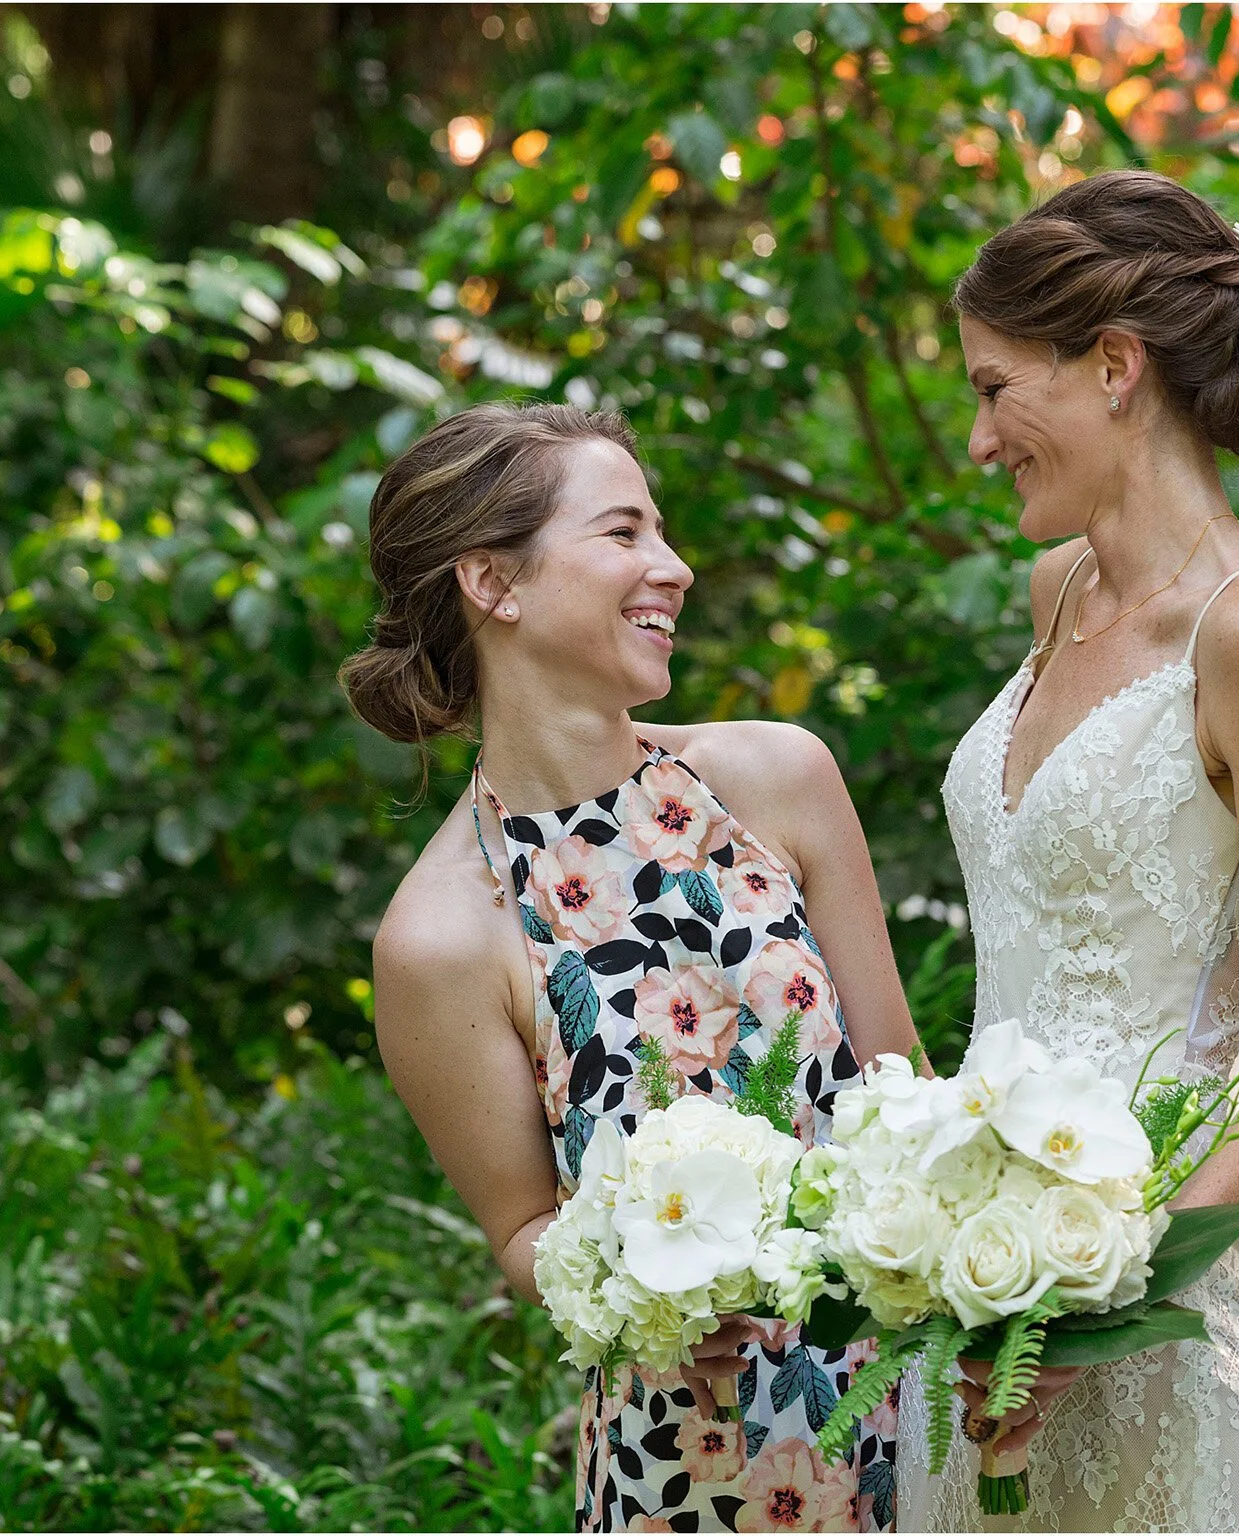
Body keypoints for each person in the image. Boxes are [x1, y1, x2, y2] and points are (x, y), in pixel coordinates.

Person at [899, 170, 1239, 1530]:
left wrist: (1116, 1285)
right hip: (972, 1305)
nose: (982, 438)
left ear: (1112, 367)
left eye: (997, 390)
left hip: (1151, 1327)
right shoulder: (1056, 595)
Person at [343, 402, 917, 1532]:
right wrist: (642, 1297)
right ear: (491, 583)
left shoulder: (778, 779)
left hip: (911, 1405)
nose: (675, 567)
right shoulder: (442, 939)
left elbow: (901, 1083)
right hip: (685, 1471)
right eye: (624, 534)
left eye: (662, 532)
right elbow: (522, 1231)